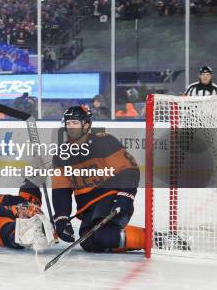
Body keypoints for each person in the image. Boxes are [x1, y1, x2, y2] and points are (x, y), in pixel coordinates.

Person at [51, 106, 181, 252]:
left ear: (86, 125)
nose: (70, 127)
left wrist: (125, 196)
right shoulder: (61, 155)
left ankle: (158, 240)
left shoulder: (103, 142)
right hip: (89, 209)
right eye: (68, 123)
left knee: (102, 236)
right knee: (89, 242)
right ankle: (140, 240)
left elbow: (129, 169)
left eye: (75, 123)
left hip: (111, 200)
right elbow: (61, 189)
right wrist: (61, 217)